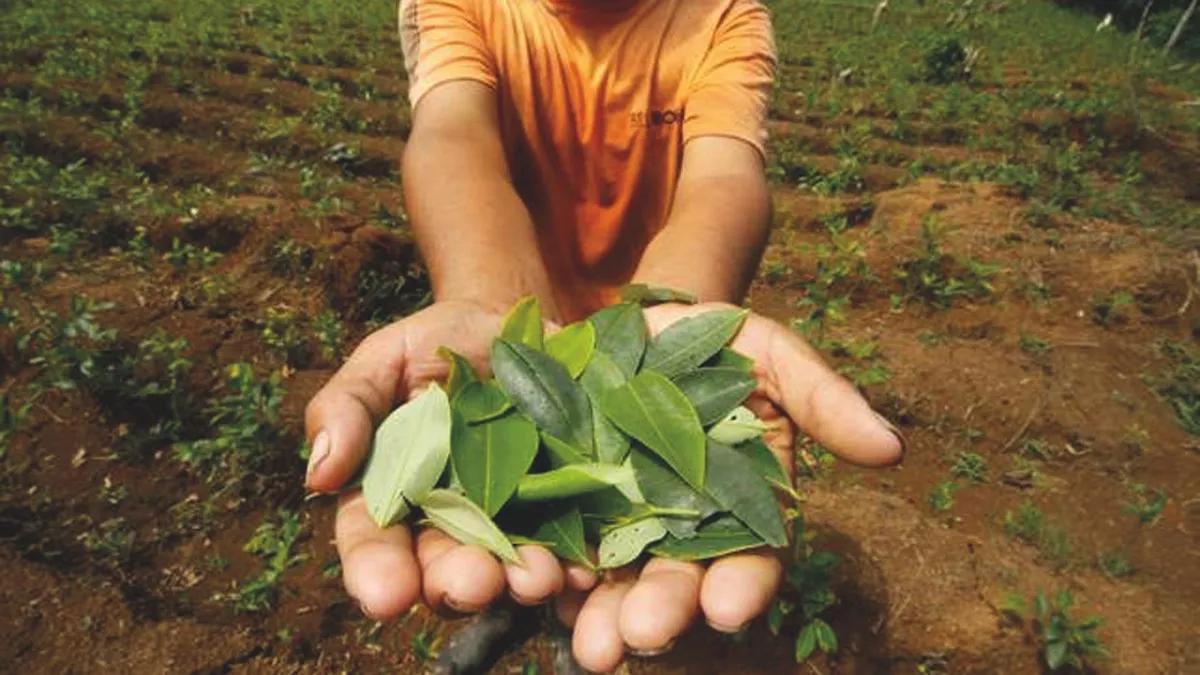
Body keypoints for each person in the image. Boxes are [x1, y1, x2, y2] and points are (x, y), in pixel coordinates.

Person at [303, 0, 904, 671]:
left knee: (595, 525)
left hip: (645, 322)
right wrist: (485, 298)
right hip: (521, 330)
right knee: (513, 517)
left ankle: (565, 634)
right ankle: (507, 609)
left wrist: (671, 326)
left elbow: (725, 176)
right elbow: (452, 136)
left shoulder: (721, 15)